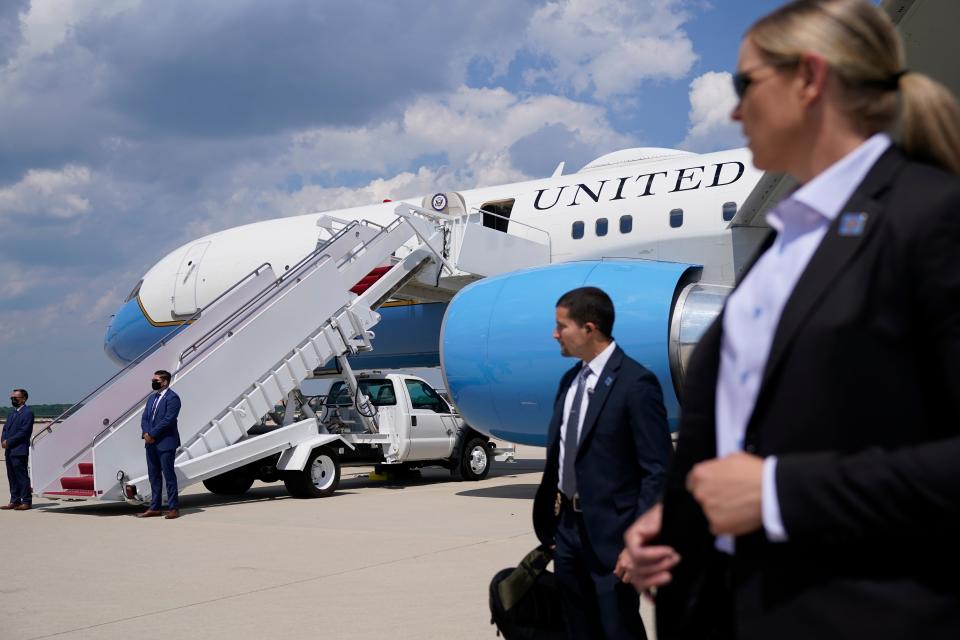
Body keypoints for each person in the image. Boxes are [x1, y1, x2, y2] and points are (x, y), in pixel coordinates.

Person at [615, 1, 960, 638]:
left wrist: (779, 493)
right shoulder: (787, 247)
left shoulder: (930, 218)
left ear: (810, 78)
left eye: (746, 84)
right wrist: (676, 519)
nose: (735, 110)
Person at [533, 286, 672, 639]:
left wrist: (637, 543)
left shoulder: (636, 383)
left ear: (589, 328)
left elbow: (658, 470)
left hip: (614, 536)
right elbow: (562, 455)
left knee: (617, 628)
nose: (555, 334)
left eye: (561, 326)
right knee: (577, 627)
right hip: (567, 531)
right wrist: (554, 525)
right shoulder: (569, 381)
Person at [138, 370, 182, 519]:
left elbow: (168, 420)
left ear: (164, 382)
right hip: (150, 443)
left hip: (165, 443)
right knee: (153, 476)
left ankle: (173, 508)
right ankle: (155, 507)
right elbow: (145, 418)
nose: (153, 382)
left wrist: (152, 434)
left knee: (169, 476)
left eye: (156, 380)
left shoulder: (173, 398)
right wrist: (145, 433)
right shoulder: (152, 398)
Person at [2, 389, 35, 511]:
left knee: (21, 476)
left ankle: (26, 501)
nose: (13, 400)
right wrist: (3, 441)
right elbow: (5, 429)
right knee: (12, 476)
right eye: (12, 397)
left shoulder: (28, 413)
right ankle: (14, 500)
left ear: (23, 399)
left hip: (19, 450)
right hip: (9, 450)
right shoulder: (11, 413)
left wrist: (9, 442)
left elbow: (24, 432)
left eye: (15, 397)